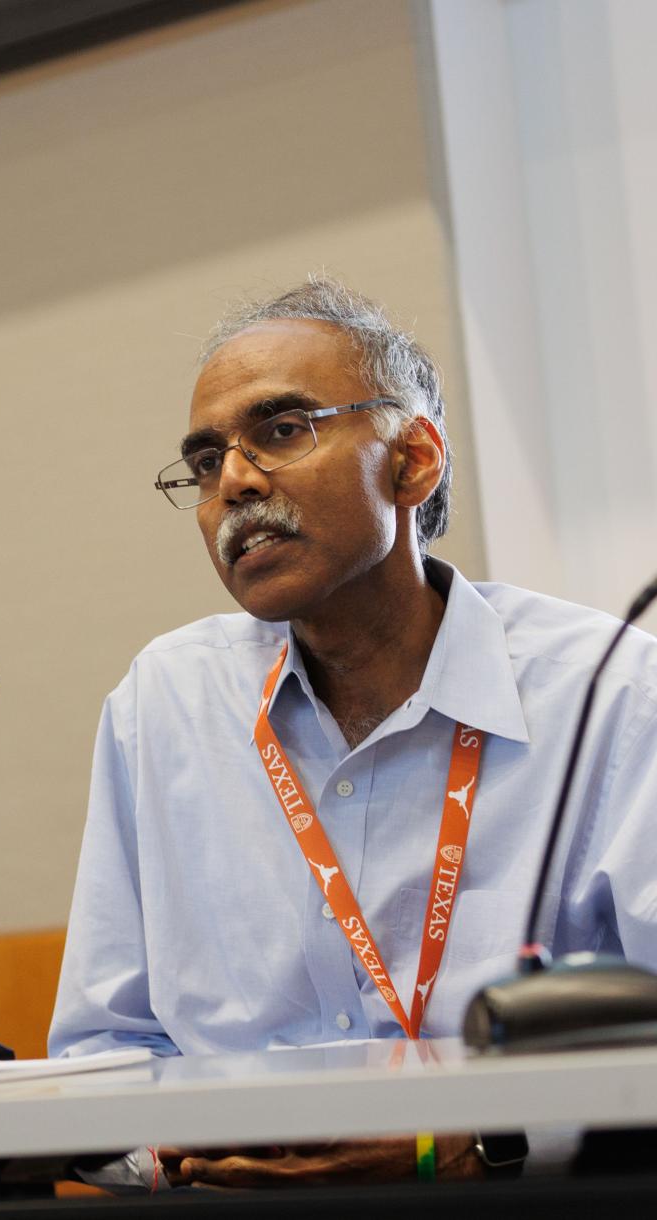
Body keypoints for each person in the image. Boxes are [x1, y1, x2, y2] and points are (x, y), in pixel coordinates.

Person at [49, 277, 657, 1187]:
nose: (236, 483)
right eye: (207, 462)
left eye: (282, 431)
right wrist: (178, 1159)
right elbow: (103, 1051)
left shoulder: (611, 694)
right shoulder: (165, 704)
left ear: (414, 460)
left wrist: (477, 1146)